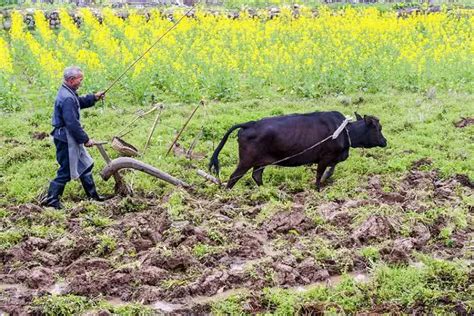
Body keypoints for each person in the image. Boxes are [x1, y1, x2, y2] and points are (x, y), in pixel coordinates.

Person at [41, 66, 105, 209]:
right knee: (66, 170)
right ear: (71, 80)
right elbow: (72, 124)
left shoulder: (68, 92)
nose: (81, 82)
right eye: (79, 79)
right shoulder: (67, 97)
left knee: (86, 164)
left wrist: (93, 97)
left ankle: (93, 196)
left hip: (69, 137)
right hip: (66, 139)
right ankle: (52, 200)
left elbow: (79, 102)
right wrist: (86, 139)